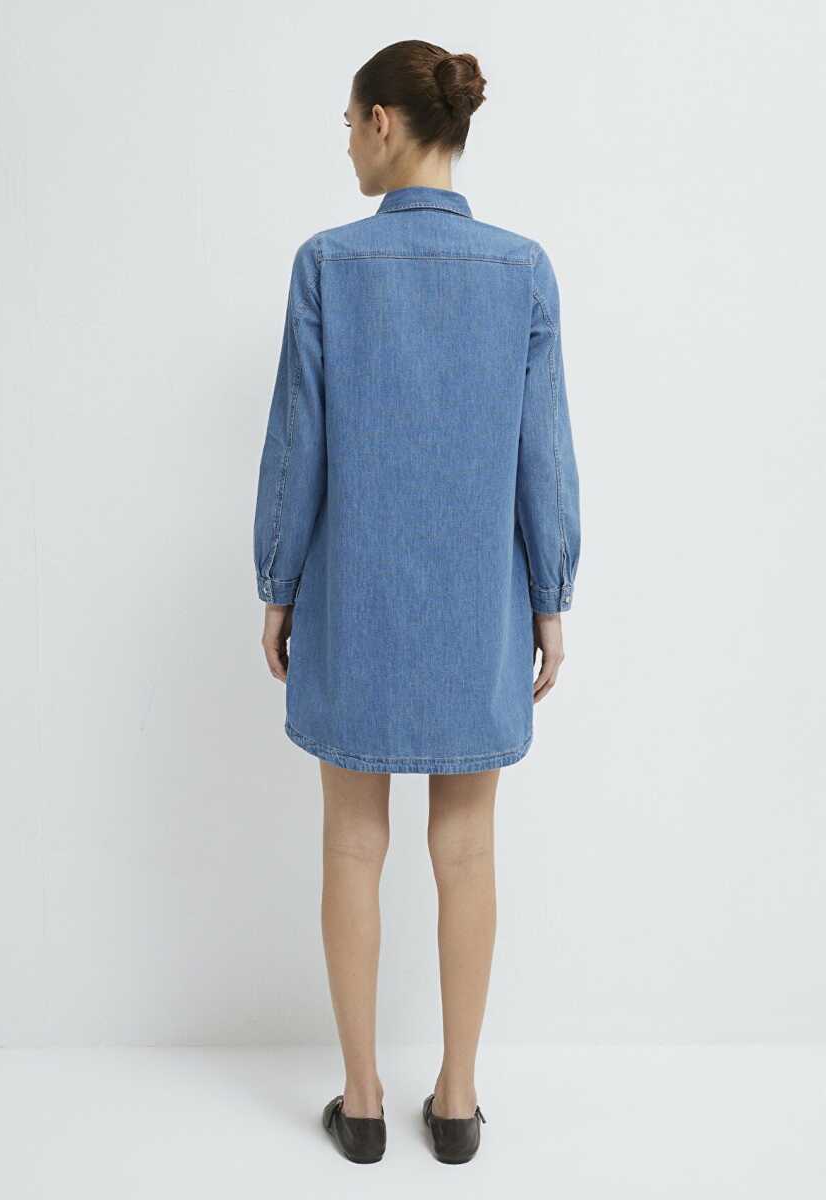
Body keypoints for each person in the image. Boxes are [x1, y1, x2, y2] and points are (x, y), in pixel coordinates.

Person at [252, 39, 581, 1165]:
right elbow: (544, 453)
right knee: (467, 851)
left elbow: (296, 447)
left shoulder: (327, 266)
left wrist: (278, 585)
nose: (347, 144)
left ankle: (359, 1101)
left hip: (354, 598)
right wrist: (549, 599)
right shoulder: (522, 270)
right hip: (478, 605)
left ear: (384, 122)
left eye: (349, 123)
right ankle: (455, 1100)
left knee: (352, 845)